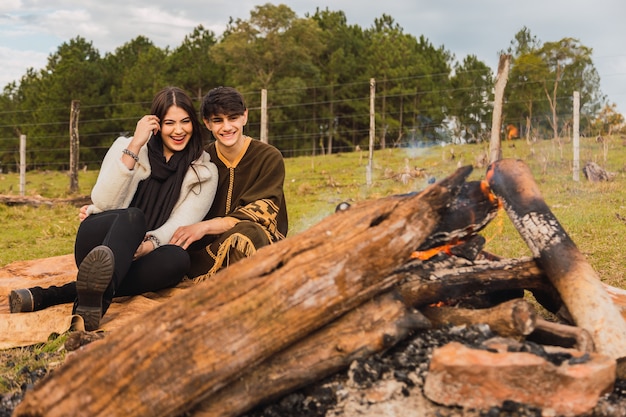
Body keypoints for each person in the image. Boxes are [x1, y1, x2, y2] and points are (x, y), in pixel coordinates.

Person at [9, 86, 219, 331]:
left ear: (193, 123)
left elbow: (180, 224)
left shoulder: (204, 172)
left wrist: (147, 246)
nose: (179, 130)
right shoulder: (126, 146)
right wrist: (136, 144)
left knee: (179, 259)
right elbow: (104, 201)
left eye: (185, 121)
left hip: (146, 252)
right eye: (169, 122)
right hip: (102, 241)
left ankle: (56, 297)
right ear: (156, 124)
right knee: (134, 218)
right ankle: (91, 303)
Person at [169, 86, 288, 281]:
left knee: (248, 232)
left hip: (256, 242)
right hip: (207, 251)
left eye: (232, 118)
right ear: (207, 123)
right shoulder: (200, 161)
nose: (226, 127)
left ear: (244, 117)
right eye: (218, 121)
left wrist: (205, 226)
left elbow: (261, 211)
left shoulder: (268, 157)